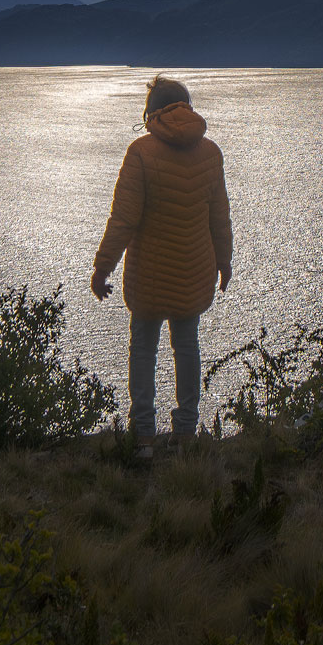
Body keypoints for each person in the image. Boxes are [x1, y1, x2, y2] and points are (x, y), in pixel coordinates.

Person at [91, 75, 233, 456]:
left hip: (149, 277)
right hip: (194, 271)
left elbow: (123, 219)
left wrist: (103, 267)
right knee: (187, 346)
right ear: (187, 106)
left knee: (143, 349)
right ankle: (186, 432)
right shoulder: (210, 153)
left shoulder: (141, 152)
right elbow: (219, 216)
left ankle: (143, 436)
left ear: (151, 113)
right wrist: (224, 261)